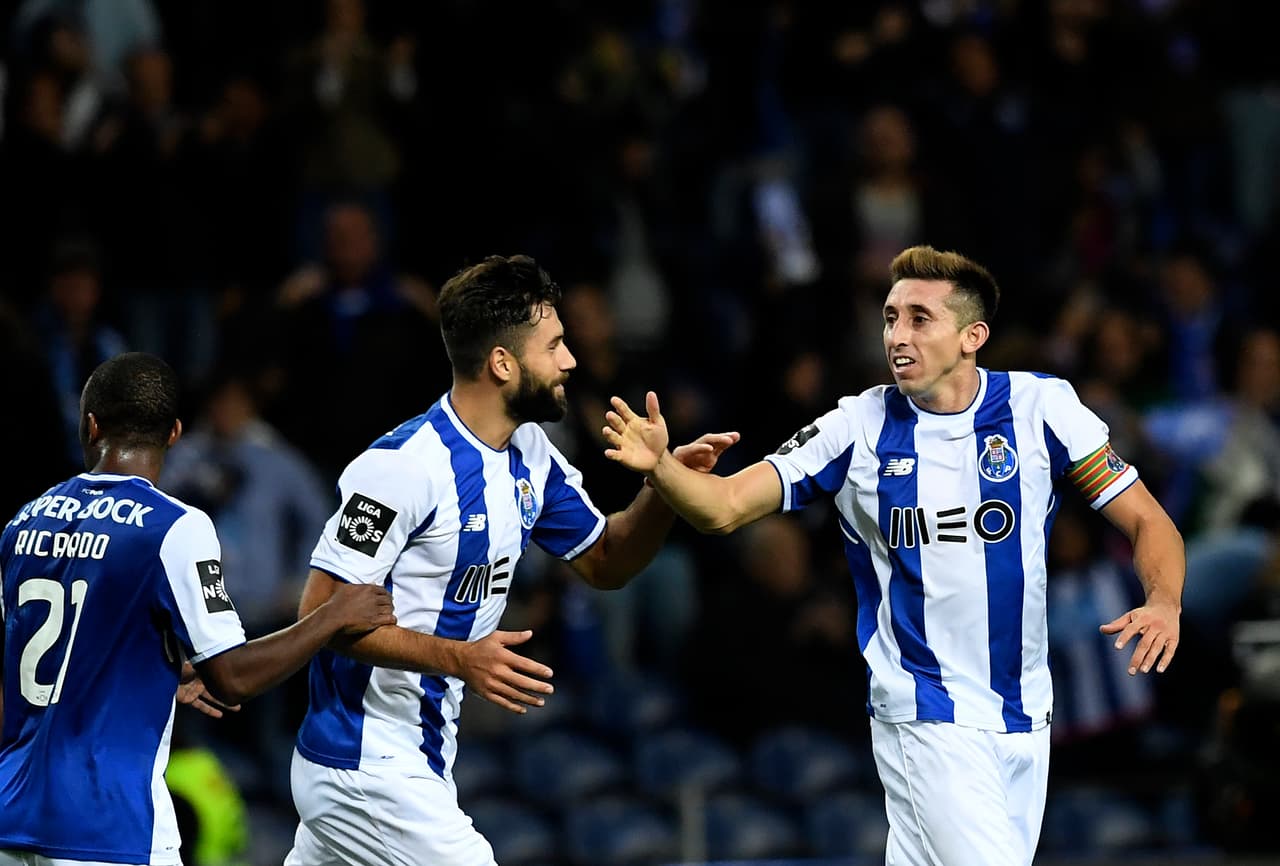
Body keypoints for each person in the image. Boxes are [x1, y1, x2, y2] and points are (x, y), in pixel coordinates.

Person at [602, 245, 1185, 866]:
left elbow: (1149, 520)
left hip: (1026, 718)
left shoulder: (1041, 409)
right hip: (926, 714)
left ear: (972, 336)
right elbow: (724, 506)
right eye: (889, 317)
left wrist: (1165, 601)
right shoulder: (856, 427)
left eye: (918, 318)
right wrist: (661, 469)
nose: (897, 336)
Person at [283, 254, 736, 866]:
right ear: (503, 363)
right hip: (365, 765)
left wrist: (662, 483)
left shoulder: (531, 454)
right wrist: (459, 657)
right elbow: (322, 611)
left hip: (418, 762)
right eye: (554, 345)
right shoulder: (401, 468)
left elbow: (606, 562)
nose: (571, 361)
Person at [0, 352, 396, 866]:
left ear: (91, 424)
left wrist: (160, 672)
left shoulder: (24, 523)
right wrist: (330, 615)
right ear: (174, 434)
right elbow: (232, 677)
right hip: (107, 827)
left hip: (12, 815)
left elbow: (40, 658)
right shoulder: (173, 527)